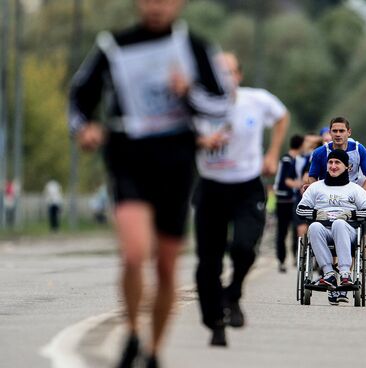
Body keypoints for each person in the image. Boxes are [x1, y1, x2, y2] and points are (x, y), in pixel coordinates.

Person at [68, 0, 233, 366]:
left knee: (165, 267)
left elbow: (222, 105)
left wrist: (188, 91)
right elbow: (79, 98)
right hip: (129, 157)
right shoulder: (114, 45)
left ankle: (154, 350)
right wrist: (85, 128)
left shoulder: (195, 47)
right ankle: (130, 332)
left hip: (175, 161)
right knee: (133, 251)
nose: (157, 6)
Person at [194, 52, 289, 347]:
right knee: (208, 262)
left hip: (247, 186)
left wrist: (273, 153)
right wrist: (202, 141)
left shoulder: (257, 100)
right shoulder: (196, 104)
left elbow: (282, 116)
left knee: (244, 248)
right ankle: (215, 321)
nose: (224, 78)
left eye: (230, 72)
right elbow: (176, 131)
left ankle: (233, 294)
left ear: (239, 76)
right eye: (217, 72)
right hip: (211, 187)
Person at [304, 116, 366, 304]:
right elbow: (312, 178)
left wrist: (359, 195)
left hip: (349, 199)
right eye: (334, 131)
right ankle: (330, 278)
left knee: (341, 227)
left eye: (341, 131)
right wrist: (317, 195)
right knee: (324, 227)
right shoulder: (321, 152)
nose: (337, 134)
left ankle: (343, 278)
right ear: (329, 133)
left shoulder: (358, 150)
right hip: (326, 199)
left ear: (348, 132)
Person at [273, 134, 304, 273]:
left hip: (290, 198)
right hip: (284, 198)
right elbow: (285, 180)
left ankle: (294, 256)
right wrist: (299, 185)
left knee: (294, 229)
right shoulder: (287, 159)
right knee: (283, 230)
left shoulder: (293, 159)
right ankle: (282, 259)